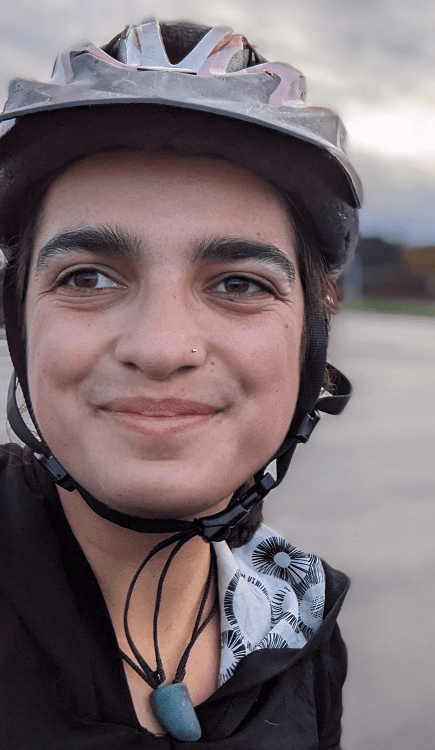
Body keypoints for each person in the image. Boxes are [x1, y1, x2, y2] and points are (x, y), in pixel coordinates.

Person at [0, 17, 362, 747]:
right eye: (89, 277)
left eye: (237, 282)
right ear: (19, 322)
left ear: (312, 339)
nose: (162, 348)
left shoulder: (301, 619)